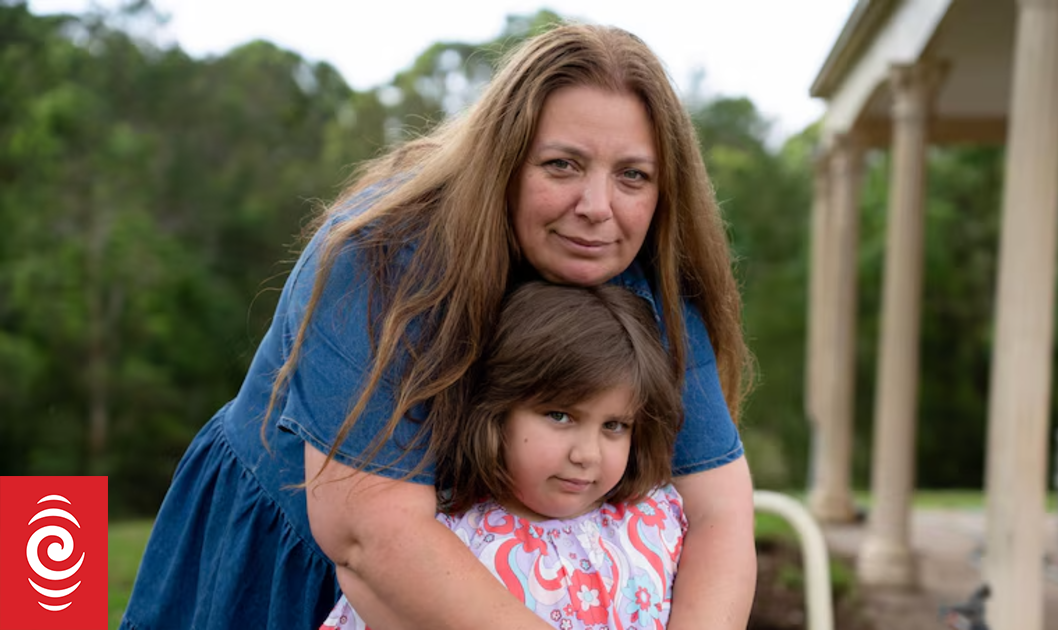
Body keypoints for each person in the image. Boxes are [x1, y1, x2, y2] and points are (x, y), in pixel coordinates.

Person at [120, 23, 755, 630]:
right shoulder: (382, 254)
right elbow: (371, 537)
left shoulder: (649, 277)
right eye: (561, 165)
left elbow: (719, 511)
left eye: (632, 176)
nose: (596, 207)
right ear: (504, 160)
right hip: (303, 565)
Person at [319, 281, 687, 630]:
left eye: (614, 426)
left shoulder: (655, 522)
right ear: (497, 413)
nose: (587, 454)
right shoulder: (447, 547)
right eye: (560, 416)